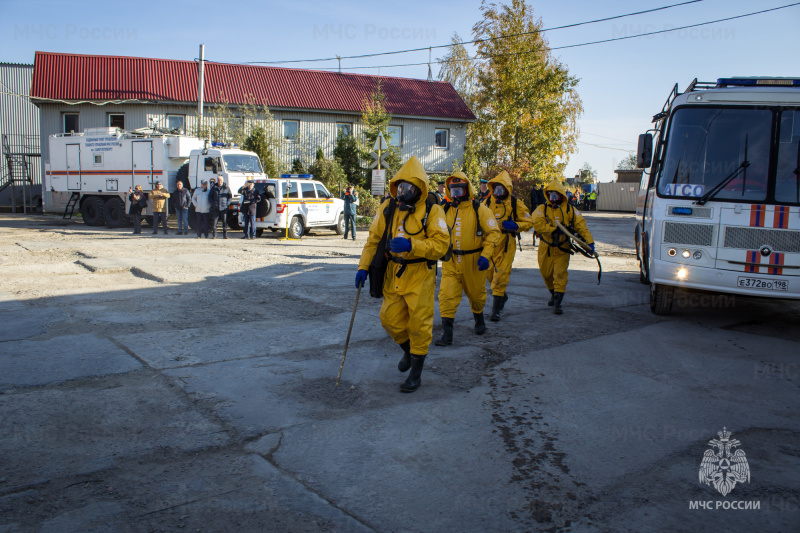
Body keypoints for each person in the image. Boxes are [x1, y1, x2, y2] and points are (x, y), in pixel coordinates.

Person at [354, 156, 449, 393]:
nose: (404, 192)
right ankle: (408, 351)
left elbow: (441, 245)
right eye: (401, 186)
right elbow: (374, 239)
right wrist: (363, 267)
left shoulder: (433, 211)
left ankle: (415, 373)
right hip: (393, 272)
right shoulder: (388, 208)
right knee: (389, 319)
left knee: (419, 324)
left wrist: (412, 246)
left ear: (420, 189)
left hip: (420, 275)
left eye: (409, 187)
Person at [435, 172, 501, 346]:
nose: (456, 194)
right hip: (451, 261)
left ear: (467, 190)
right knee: (446, 296)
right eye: (453, 191)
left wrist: (486, 256)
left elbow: (494, 233)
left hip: (474, 261)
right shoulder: (445, 210)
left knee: (477, 296)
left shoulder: (480, 209)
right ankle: (447, 334)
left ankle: (479, 320)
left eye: (460, 190)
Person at [532, 180, 595, 315]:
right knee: (546, 274)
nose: (553, 199)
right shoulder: (541, 210)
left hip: (563, 248)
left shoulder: (570, 210)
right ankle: (553, 293)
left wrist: (589, 242)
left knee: (560, 274)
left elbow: (581, 226)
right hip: (546, 247)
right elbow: (538, 225)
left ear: (562, 196)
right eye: (551, 195)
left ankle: (558, 302)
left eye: (556, 195)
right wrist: (553, 230)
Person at [484, 171, 533, 321]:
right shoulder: (486, 202)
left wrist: (515, 225)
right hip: (490, 244)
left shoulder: (514, 203)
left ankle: (495, 310)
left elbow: (529, 222)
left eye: (501, 189)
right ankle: (502, 296)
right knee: (490, 275)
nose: (498, 193)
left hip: (506, 243)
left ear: (507, 189)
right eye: (496, 189)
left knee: (500, 276)